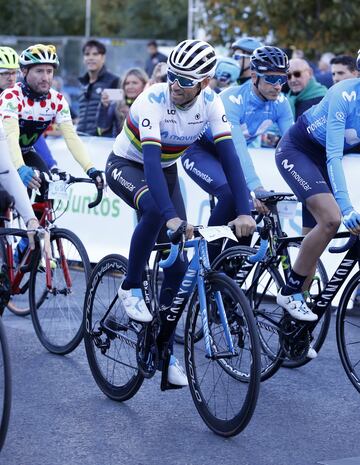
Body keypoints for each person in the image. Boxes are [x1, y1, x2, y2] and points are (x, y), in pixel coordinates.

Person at [105, 39, 255, 387]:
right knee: (158, 212)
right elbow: (151, 165)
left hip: (167, 169)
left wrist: (244, 209)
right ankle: (130, 285)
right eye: (173, 75)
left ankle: (162, 352)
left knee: (179, 268)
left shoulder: (211, 103)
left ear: (204, 83)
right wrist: (172, 217)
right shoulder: (152, 99)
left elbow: (230, 158)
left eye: (185, 80)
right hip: (128, 164)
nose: (175, 84)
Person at [275, 52, 360, 349]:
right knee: (332, 219)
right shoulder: (343, 94)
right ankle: (290, 290)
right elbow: (333, 155)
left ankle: (295, 331)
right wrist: (347, 207)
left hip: (322, 160)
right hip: (299, 151)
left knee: (315, 239)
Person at [182, 45, 293, 247]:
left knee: (249, 209)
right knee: (231, 194)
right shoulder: (232, 100)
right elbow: (238, 149)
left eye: (282, 79)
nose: (278, 85)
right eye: (270, 78)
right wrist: (256, 187)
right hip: (200, 152)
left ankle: (232, 269)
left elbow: (293, 144)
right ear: (254, 77)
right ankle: (209, 262)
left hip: (228, 157)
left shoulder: (281, 104)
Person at [0, 44, 103, 194]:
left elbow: (72, 138)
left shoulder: (58, 100)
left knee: (48, 189)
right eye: (39, 71)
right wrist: (20, 168)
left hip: (25, 152)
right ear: (24, 71)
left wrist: (90, 169)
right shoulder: (11, 96)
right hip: (4, 152)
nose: (45, 77)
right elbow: (11, 137)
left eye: (49, 71)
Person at [0, 46, 58, 172]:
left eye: (14, 72)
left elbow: (32, 134)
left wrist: (51, 165)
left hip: (18, 154)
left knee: (45, 181)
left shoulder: (20, 96)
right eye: (5, 73)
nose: (11, 78)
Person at [77, 40, 119, 136]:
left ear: (103, 58)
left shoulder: (113, 81)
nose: (90, 58)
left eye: (95, 54)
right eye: (87, 54)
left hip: (102, 141)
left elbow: (118, 113)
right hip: (81, 137)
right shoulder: (82, 83)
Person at [97, 68, 149, 137]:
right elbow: (102, 127)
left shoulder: (150, 104)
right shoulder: (116, 105)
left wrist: (130, 116)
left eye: (134, 83)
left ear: (144, 85)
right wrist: (103, 107)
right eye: (127, 83)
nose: (130, 87)